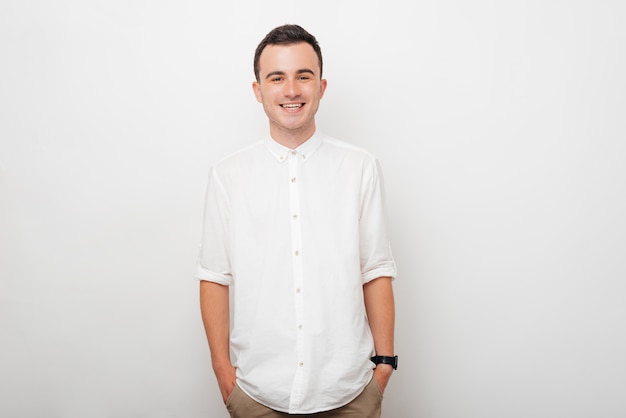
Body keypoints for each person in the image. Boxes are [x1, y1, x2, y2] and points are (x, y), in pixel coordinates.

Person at [195, 24, 397, 417]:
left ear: (321, 87)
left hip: (350, 391)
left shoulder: (360, 167)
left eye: (303, 76)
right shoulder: (227, 175)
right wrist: (224, 373)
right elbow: (214, 275)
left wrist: (384, 365)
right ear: (258, 90)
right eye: (277, 78)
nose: (291, 90)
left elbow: (376, 268)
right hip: (258, 393)